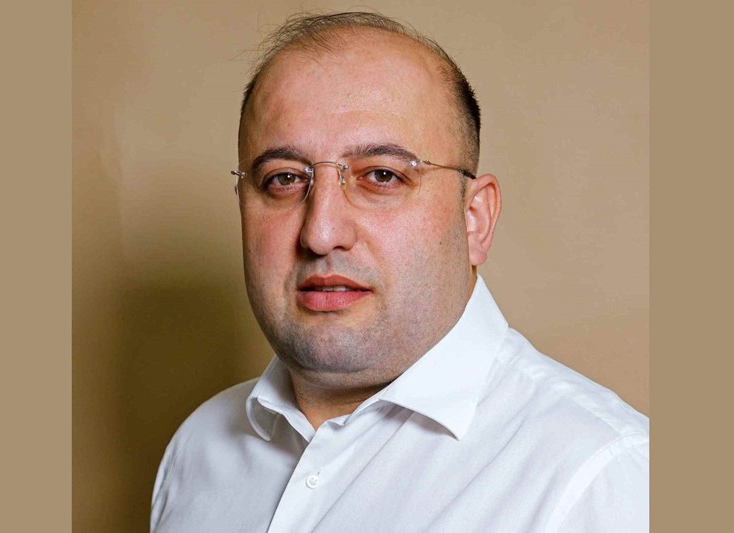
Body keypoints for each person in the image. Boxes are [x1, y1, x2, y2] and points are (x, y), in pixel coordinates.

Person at [151, 11, 648, 533]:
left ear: (474, 219)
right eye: (284, 179)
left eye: (382, 176)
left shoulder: (600, 483)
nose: (320, 233)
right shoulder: (198, 449)